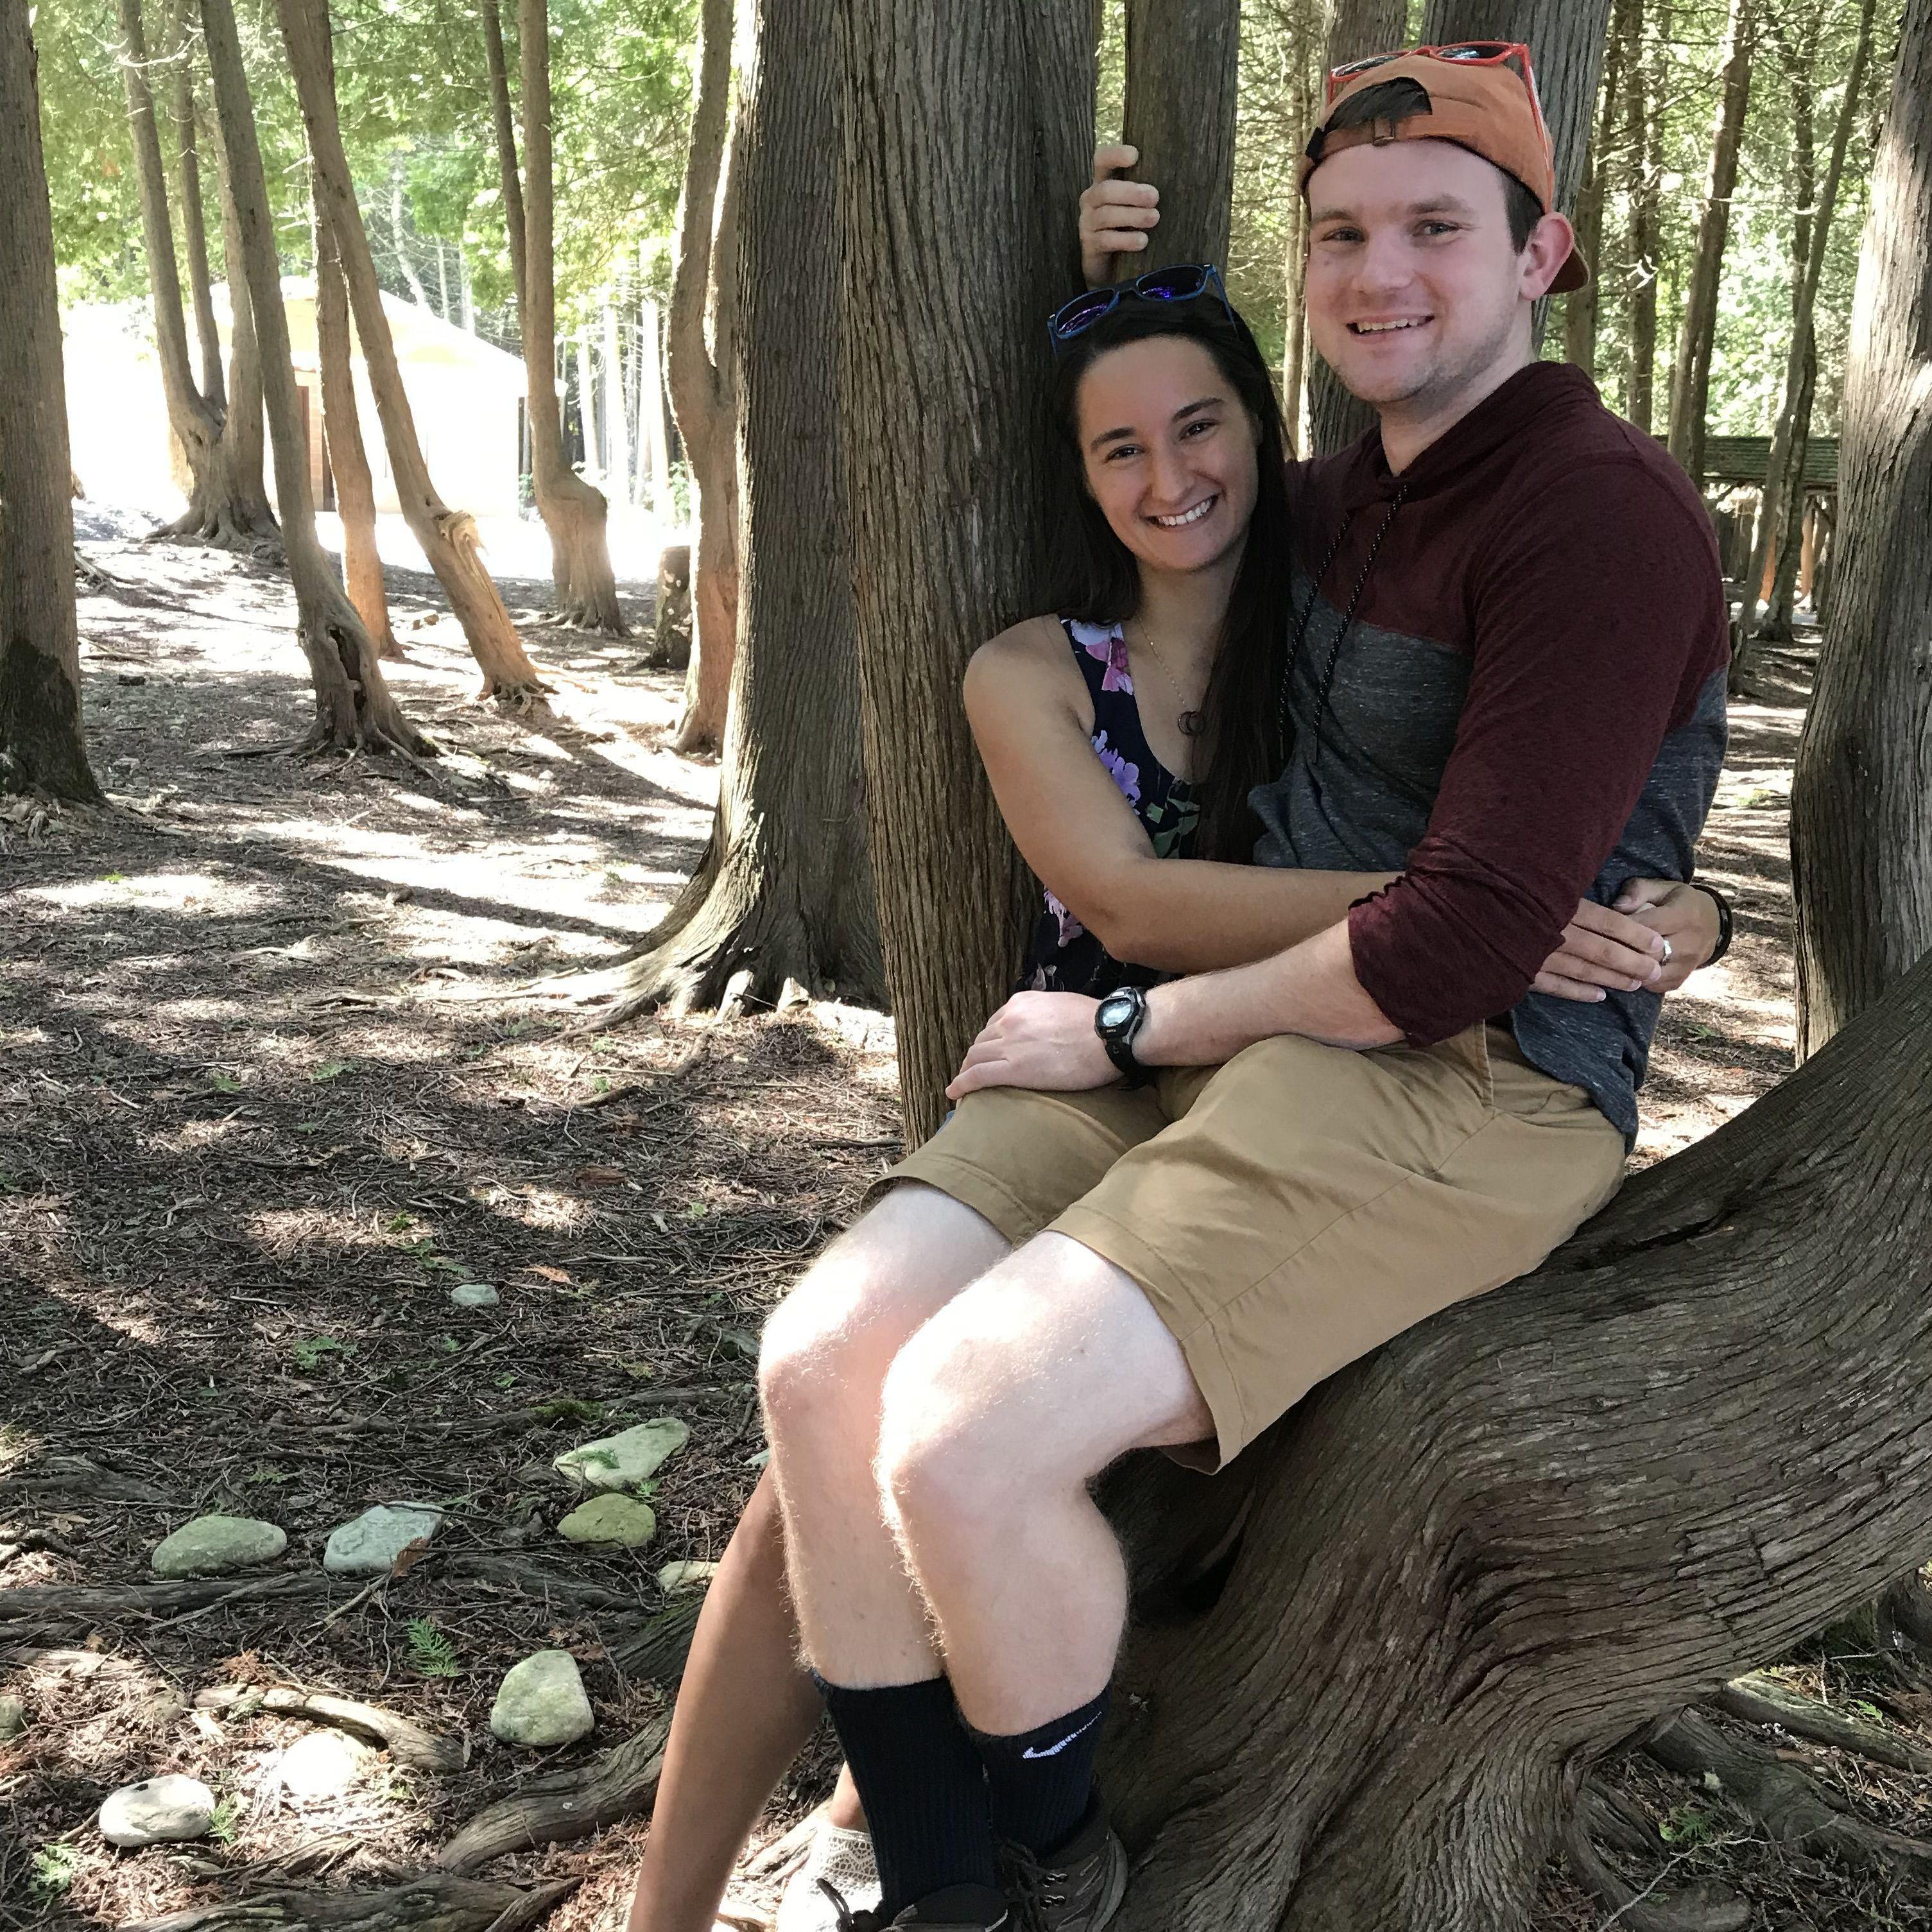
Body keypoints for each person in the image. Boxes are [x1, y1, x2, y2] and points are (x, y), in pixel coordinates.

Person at [625, 96, 1730, 1928]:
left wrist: (1128, 1029)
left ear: (1542, 254)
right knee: (826, 1362)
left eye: (1436, 228)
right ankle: (933, 1878)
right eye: (1344, 233)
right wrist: (1104, 278)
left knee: (960, 1431)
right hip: (1229, 1018)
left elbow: (1467, 940)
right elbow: (1172, 454)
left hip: (1462, 1074)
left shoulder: (1591, 513)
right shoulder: (1340, 496)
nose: (1381, 271)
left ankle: (1053, 1870)